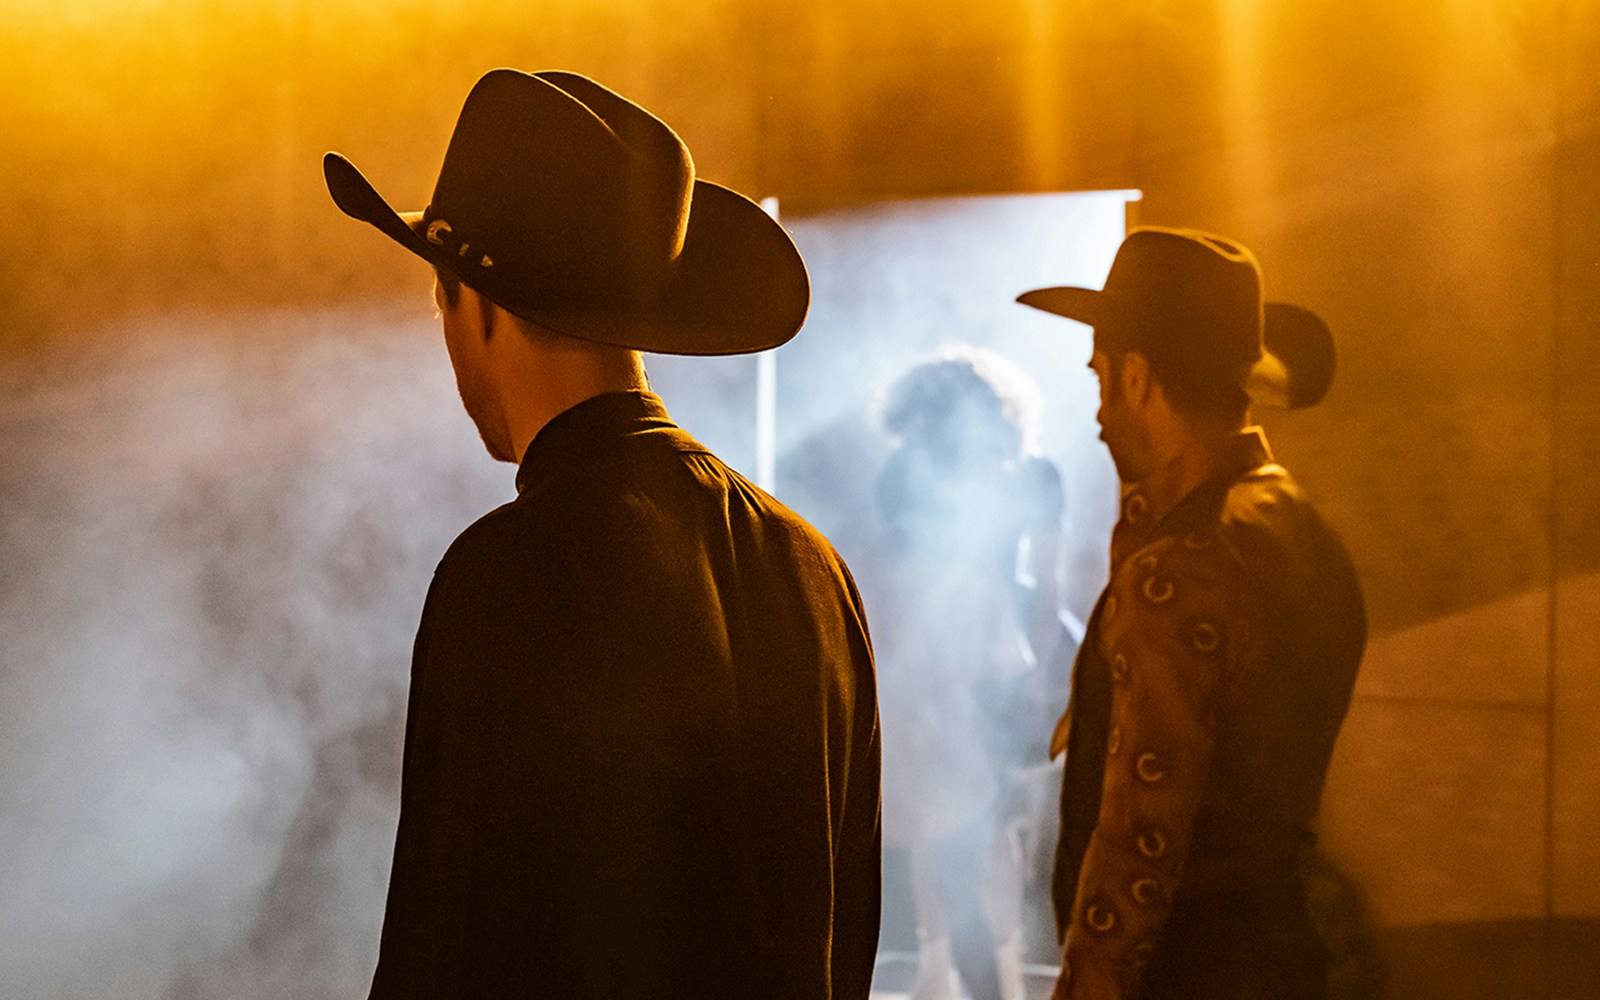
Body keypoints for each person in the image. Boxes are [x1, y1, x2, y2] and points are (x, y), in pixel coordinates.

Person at [322, 69, 881, 999]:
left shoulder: (509, 571)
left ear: (472, 301)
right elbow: (848, 933)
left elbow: (447, 942)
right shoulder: (812, 567)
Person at [1015, 227, 1366, 1000]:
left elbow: (1137, 860)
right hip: (1280, 959)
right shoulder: (1303, 528)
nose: (1099, 412)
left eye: (1101, 377)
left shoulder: (1179, 572)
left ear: (1136, 378)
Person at [871, 348, 1070, 1000]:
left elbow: (1048, 583)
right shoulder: (908, 473)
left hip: (998, 650)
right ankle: (939, 968)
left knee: (989, 820)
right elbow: (898, 560)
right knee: (931, 807)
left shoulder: (1034, 478)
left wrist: (1038, 675)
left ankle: (999, 972)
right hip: (936, 640)